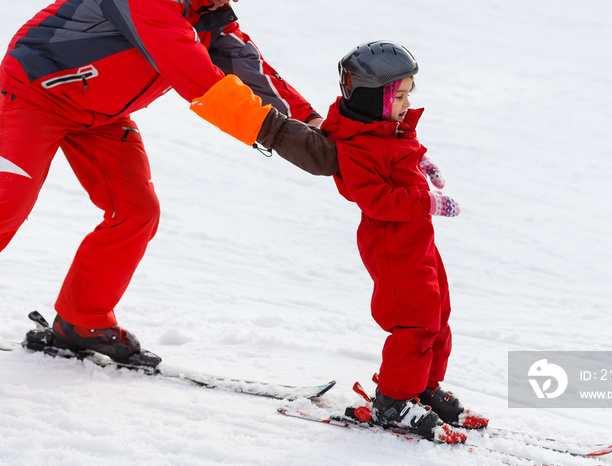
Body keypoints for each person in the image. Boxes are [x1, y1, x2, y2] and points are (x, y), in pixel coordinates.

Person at [0, 0, 337, 365]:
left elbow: (253, 71)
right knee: (8, 203)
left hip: (100, 116)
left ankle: (82, 323)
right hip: (34, 93)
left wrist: (314, 124)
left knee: (137, 212)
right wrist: (281, 135)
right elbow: (198, 78)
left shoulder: (210, 16)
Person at [320, 40, 488, 442]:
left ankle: (422, 388)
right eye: (402, 95)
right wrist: (427, 201)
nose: (407, 103)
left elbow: (400, 149)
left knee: (438, 311)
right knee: (415, 319)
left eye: (410, 93)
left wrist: (422, 162)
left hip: (416, 238)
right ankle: (394, 401)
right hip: (390, 241)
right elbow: (375, 199)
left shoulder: (384, 128)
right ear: (375, 97)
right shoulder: (355, 145)